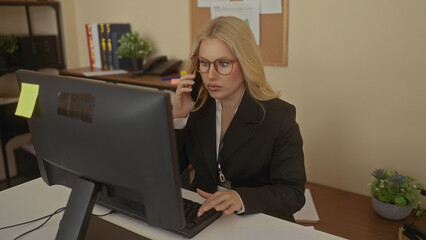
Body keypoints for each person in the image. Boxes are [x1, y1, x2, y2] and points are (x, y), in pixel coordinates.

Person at [172, 16, 306, 222]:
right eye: (204, 63)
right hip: (202, 214)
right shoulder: (197, 107)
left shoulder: (279, 116)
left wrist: (240, 198)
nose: (211, 75)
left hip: (254, 218)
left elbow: (293, 193)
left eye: (223, 64)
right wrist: (179, 117)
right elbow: (168, 171)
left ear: (245, 63)